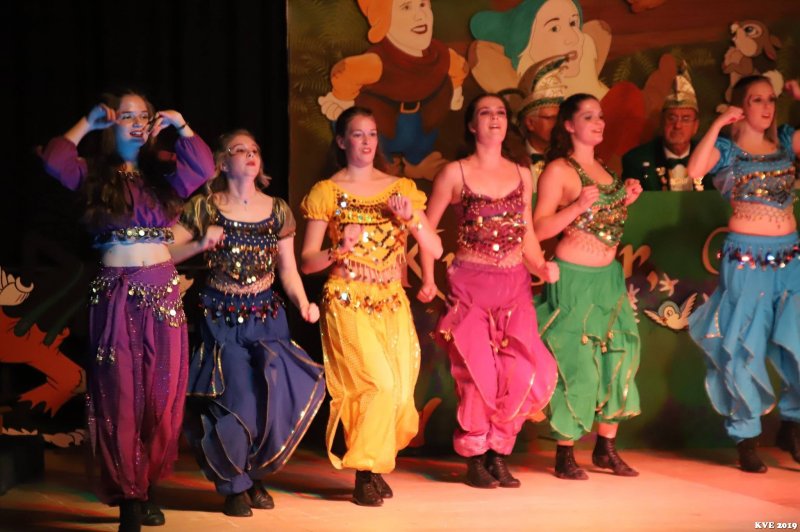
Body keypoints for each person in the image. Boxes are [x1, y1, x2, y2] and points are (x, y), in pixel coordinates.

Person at [40, 90, 214, 531]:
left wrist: (181, 125)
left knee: (161, 396)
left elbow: (203, 167)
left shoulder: (164, 175)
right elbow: (55, 160)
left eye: (144, 116)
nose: (137, 123)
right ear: (112, 124)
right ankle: (129, 499)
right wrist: (88, 121)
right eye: (127, 116)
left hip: (162, 293)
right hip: (115, 295)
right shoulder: (93, 175)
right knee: (119, 396)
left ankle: (146, 484)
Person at [169, 130, 325, 515]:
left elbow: (287, 270)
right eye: (239, 150)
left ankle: (252, 475)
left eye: (254, 149)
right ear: (223, 163)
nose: (250, 155)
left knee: (270, 400)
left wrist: (304, 304)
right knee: (236, 400)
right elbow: (165, 251)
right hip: (222, 319)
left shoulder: (277, 210)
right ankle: (233, 485)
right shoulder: (205, 207)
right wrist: (200, 243)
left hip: (267, 319)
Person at [300, 106, 443, 506]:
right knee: (376, 384)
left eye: (372, 134)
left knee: (399, 394)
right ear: (341, 141)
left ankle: (376, 464)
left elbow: (434, 248)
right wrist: (339, 248)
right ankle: (364, 472)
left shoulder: (401, 189)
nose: (366, 141)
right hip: (345, 298)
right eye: (357, 134)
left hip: (391, 301)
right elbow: (307, 261)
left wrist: (412, 220)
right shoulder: (327, 192)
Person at [419, 93, 559, 489]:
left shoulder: (522, 174)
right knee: (477, 374)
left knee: (520, 370)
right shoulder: (454, 173)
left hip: (514, 286)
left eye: (500, 112)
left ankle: (498, 452)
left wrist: (540, 265)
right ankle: (475, 457)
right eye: (485, 113)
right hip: (470, 287)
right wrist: (428, 279)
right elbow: (424, 227)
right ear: (471, 124)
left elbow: (526, 231)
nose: (494, 118)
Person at [687, 76, 800, 472]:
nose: (767, 107)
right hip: (746, 260)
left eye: (770, 100)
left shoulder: (785, 140)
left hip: (790, 258)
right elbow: (694, 170)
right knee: (741, 344)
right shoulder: (726, 150)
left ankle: (793, 425)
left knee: (797, 341)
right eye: (757, 100)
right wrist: (718, 124)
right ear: (741, 105)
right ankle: (746, 435)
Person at [533, 93, 643, 480]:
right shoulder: (559, 170)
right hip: (574, 279)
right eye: (588, 116)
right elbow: (539, 229)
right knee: (577, 363)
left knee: (619, 355)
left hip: (608, 279)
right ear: (568, 125)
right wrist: (577, 206)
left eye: (600, 116)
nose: (599, 123)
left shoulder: (606, 170)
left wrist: (625, 199)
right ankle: (565, 452)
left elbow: (604, 223)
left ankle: (605, 447)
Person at [622, 63, 711, 191]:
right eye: (672, 118)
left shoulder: (711, 158)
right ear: (662, 121)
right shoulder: (636, 160)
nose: (678, 125)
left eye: (685, 119)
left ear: (695, 126)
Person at [517, 55, 568, 192]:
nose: (558, 124)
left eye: (560, 118)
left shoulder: (570, 158)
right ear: (530, 123)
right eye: (551, 118)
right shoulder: (510, 159)